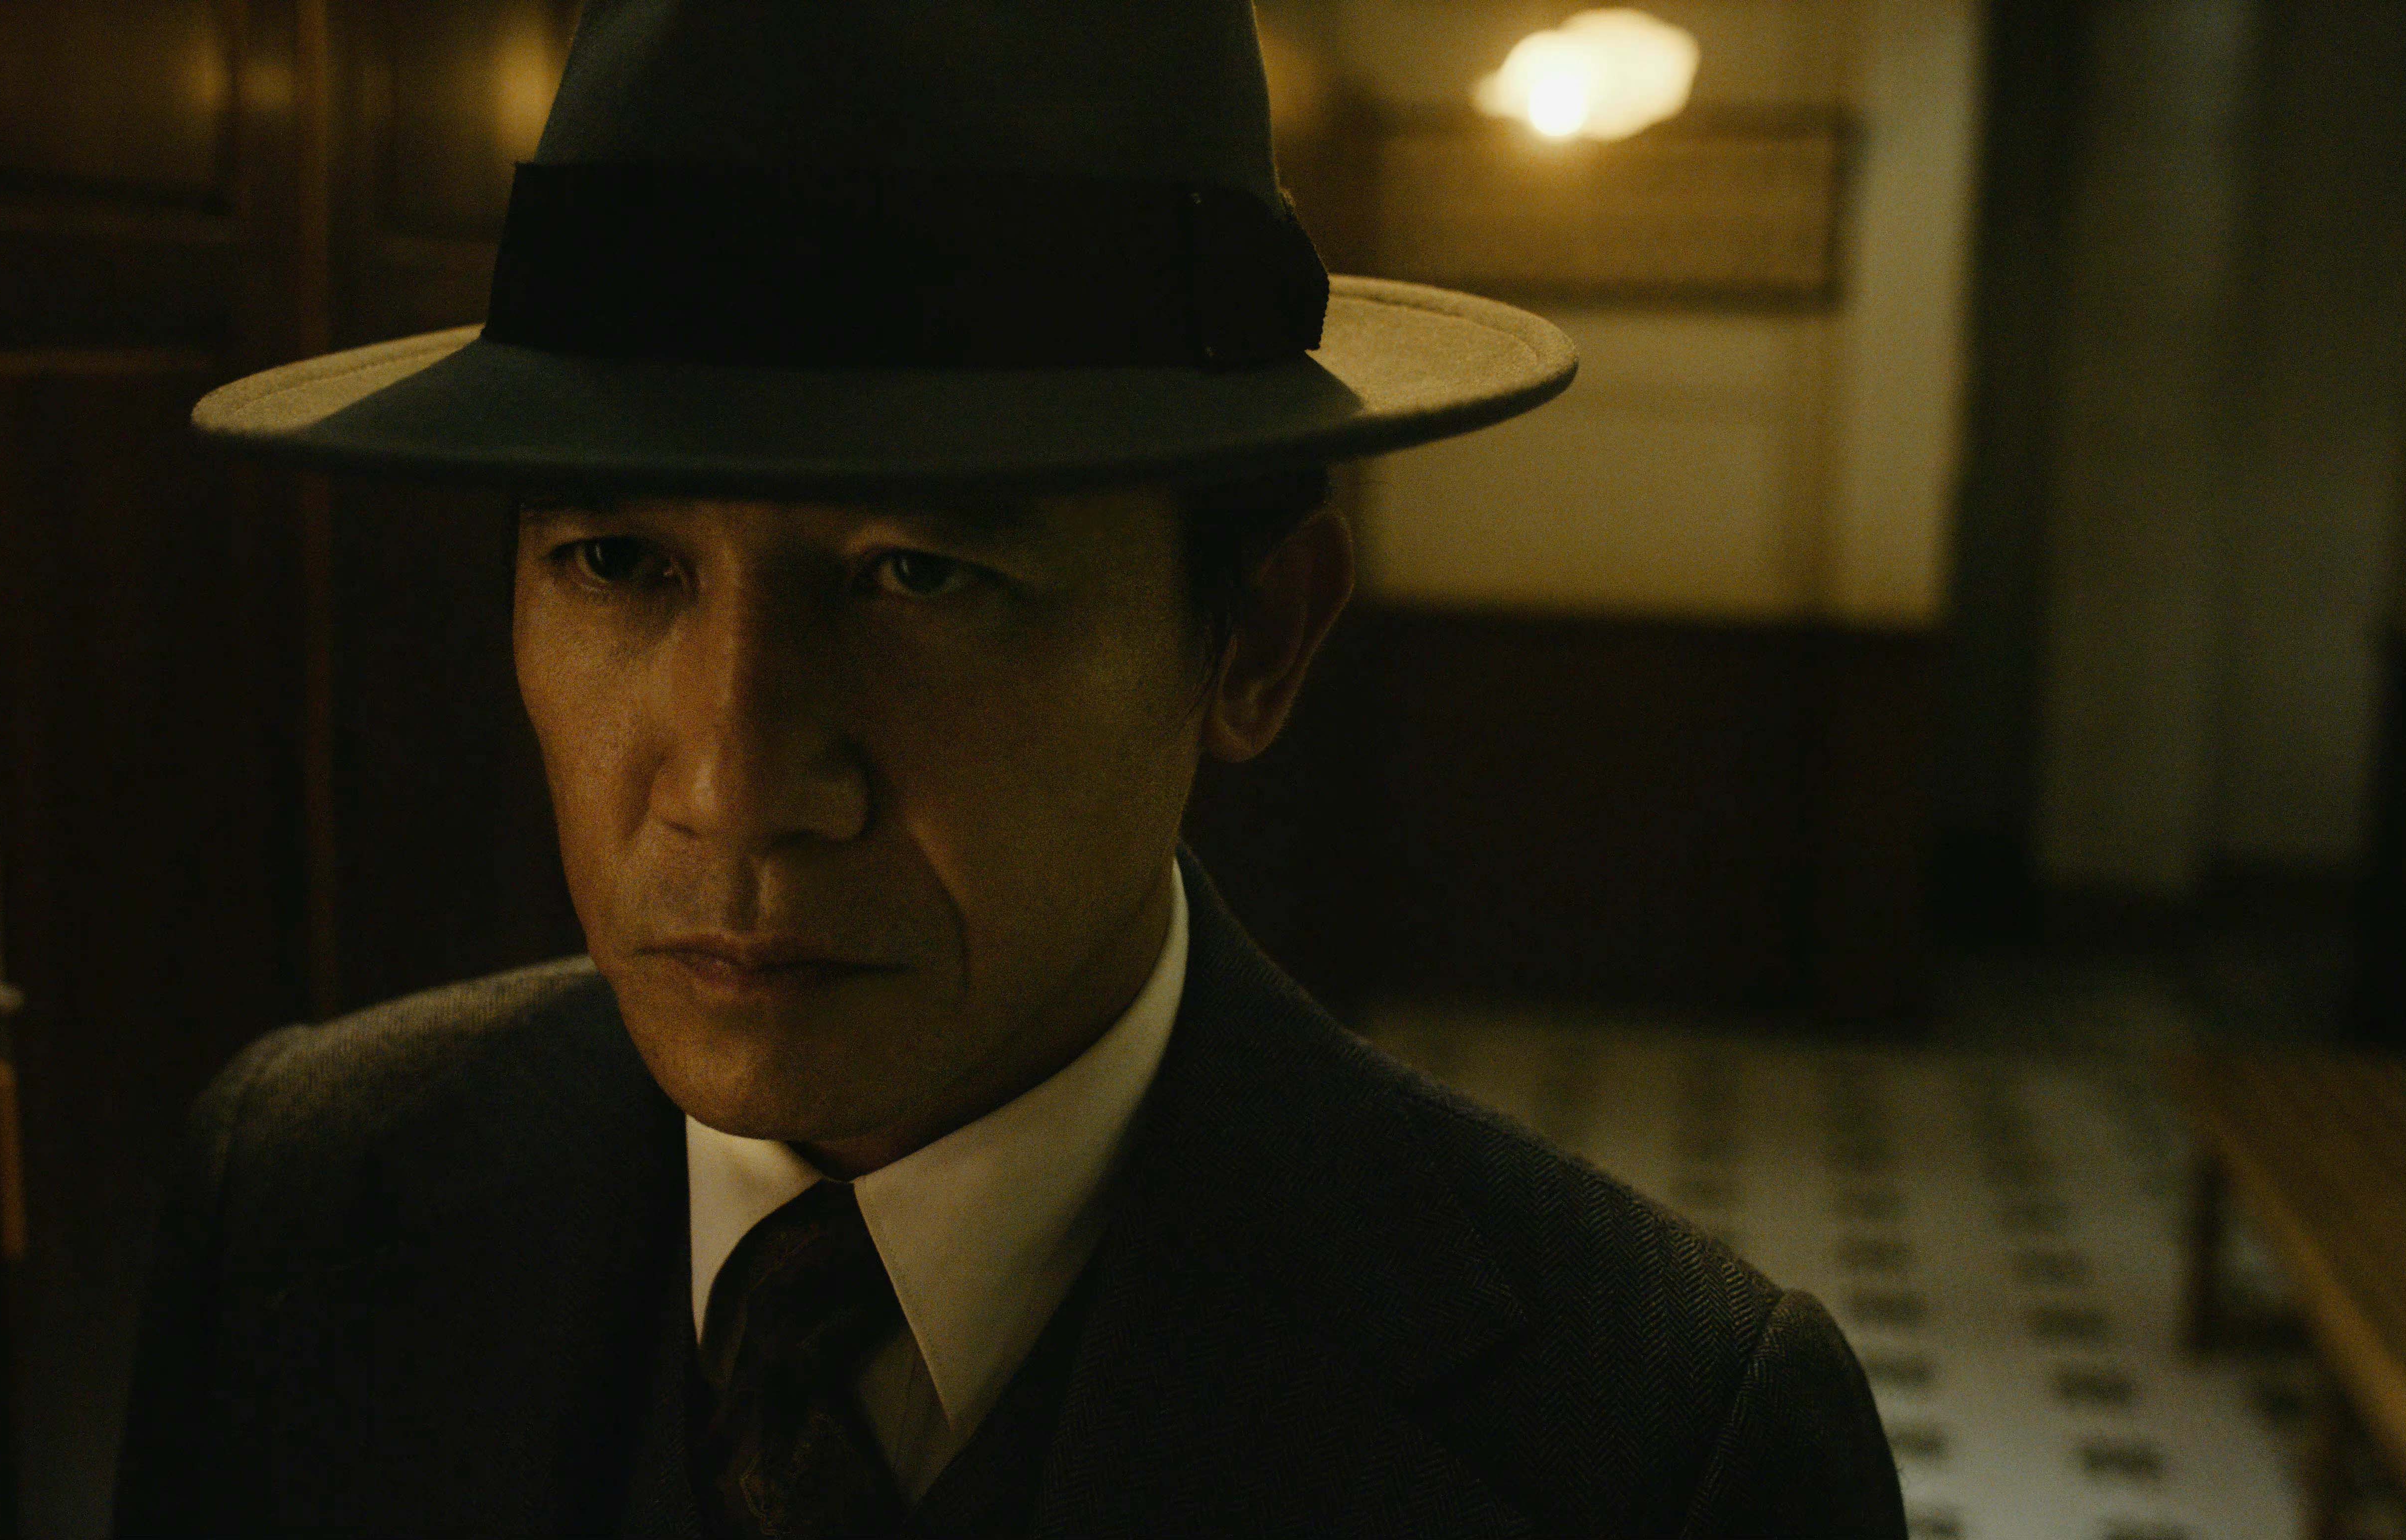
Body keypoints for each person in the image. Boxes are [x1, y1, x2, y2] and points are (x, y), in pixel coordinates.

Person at [116, 0, 1905, 1534]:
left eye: (921, 576)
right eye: (618, 559)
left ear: (1257, 637)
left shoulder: (1652, 1450)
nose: (734, 780)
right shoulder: (309, 1200)